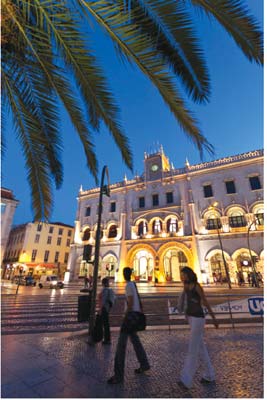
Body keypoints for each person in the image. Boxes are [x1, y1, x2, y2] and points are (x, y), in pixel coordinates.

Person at [178, 266, 218, 390]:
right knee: (201, 348)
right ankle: (210, 374)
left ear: (189, 274)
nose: (182, 277)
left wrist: (214, 318)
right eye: (181, 275)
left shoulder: (196, 286)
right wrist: (185, 314)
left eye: (183, 274)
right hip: (191, 318)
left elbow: (204, 301)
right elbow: (186, 301)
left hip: (198, 319)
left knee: (193, 348)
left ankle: (186, 379)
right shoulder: (186, 286)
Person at [107, 267, 150, 384]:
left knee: (121, 346)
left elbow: (130, 303)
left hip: (130, 317)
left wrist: (125, 315)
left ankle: (118, 376)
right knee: (136, 341)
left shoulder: (129, 286)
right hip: (135, 316)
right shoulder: (133, 284)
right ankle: (144, 364)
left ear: (124, 274)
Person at [99, 277, 115, 345]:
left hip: (104, 309)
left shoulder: (105, 290)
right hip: (107, 308)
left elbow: (103, 300)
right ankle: (106, 339)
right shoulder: (110, 290)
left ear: (103, 283)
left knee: (104, 324)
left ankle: (106, 339)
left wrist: (100, 309)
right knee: (105, 324)